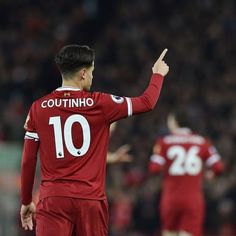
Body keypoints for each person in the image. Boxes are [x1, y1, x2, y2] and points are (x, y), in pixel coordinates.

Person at [20, 44, 169, 236]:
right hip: (90, 200)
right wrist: (158, 74)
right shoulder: (101, 103)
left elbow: (28, 160)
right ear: (83, 73)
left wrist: (26, 201)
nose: (92, 76)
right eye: (92, 71)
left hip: (53, 199)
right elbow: (147, 102)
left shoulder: (38, 108)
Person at [148, 109, 224, 236]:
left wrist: (169, 168)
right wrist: (211, 174)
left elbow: (154, 168)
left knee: (169, 233)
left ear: (174, 122)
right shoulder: (203, 142)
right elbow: (218, 167)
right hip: (193, 199)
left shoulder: (164, 142)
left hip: (171, 198)